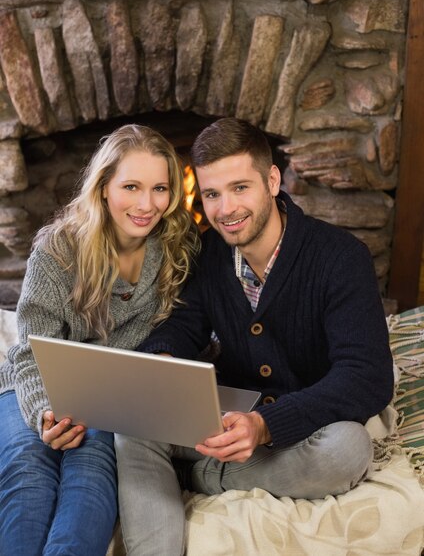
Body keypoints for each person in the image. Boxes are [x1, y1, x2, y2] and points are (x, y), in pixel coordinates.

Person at [115, 117, 395, 556]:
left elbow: (367, 377)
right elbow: (183, 325)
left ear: (272, 179)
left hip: (302, 423)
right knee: (132, 427)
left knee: (348, 450)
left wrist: (265, 425)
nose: (226, 209)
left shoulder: (341, 257)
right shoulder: (209, 254)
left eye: (240, 188)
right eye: (211, 194)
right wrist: (164, 359)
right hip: (224, 417)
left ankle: (198, 477)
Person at [0, 124, 200, 556]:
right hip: (35, 387)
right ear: (104, 187)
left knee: (91, 477)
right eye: (131, 186)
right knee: (28, 470)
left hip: (111, 397)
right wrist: (44, 415)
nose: (147, 205)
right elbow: (30, 350)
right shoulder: (59, 249)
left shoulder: (179, 248)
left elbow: (193, 329)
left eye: (160, 188)